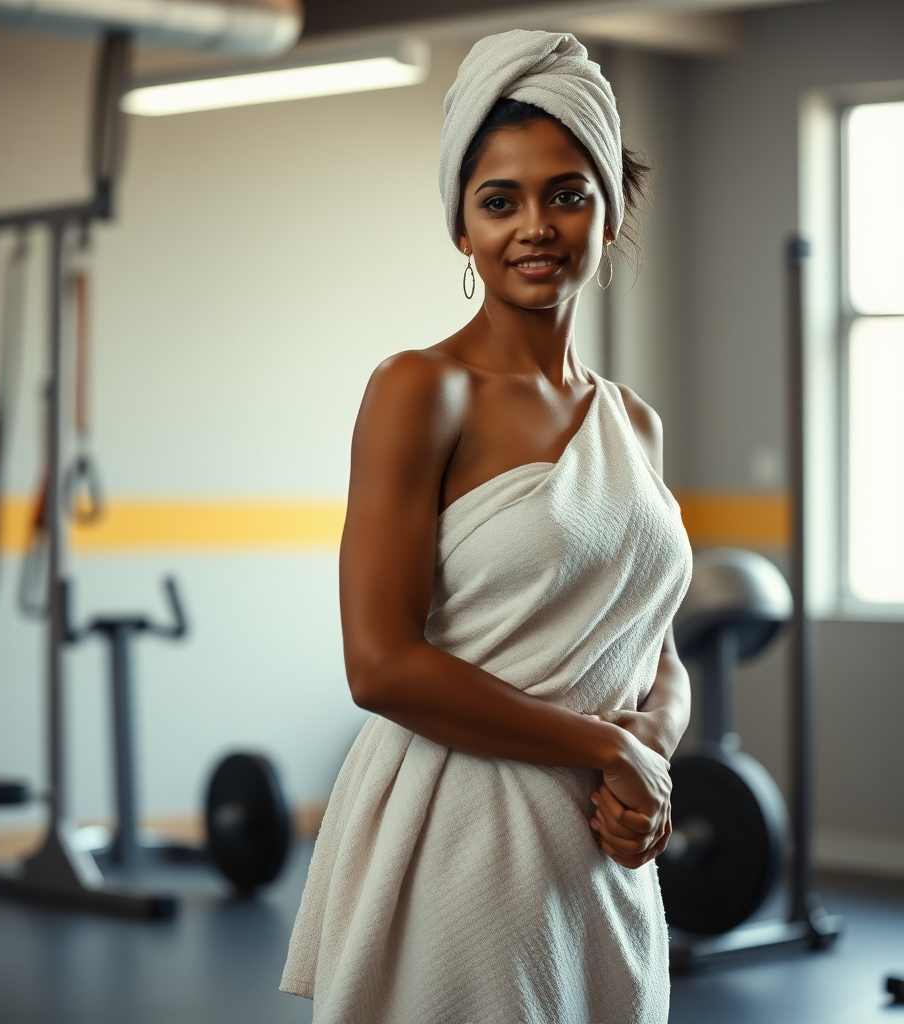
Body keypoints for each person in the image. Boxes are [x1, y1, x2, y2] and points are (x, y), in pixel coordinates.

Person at [280, 29, 693, 1024]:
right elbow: (379, 664)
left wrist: (650, 755)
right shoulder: (421, 390)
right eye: (497, 200)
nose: (534, 225)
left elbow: (656, 647)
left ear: (610, 207)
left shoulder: (632, 422)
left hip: (596, 848)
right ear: (460, 230)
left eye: (566, 191)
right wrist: (604, 752)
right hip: (459, 832)